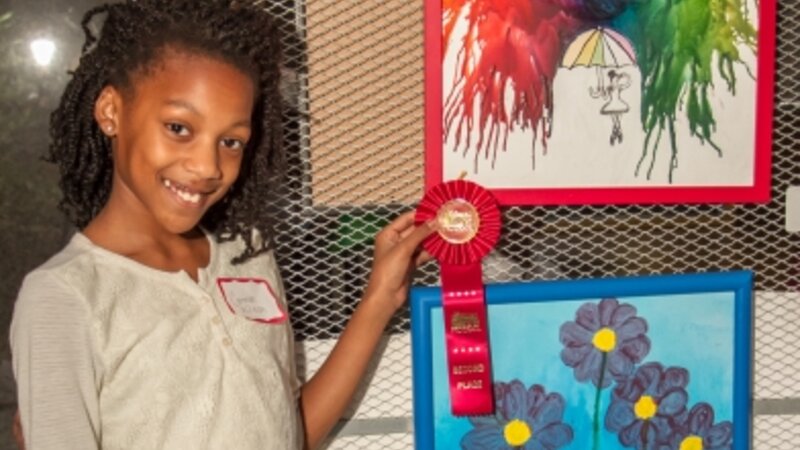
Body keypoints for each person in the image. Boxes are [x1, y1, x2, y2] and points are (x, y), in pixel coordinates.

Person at [9, 1, 434, 449]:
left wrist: (380, 298)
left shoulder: (246, 256)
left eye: (231, 141)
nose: (208, 166)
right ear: (111, 110)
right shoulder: (63, 296)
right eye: (179, 128)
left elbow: (290, 434)